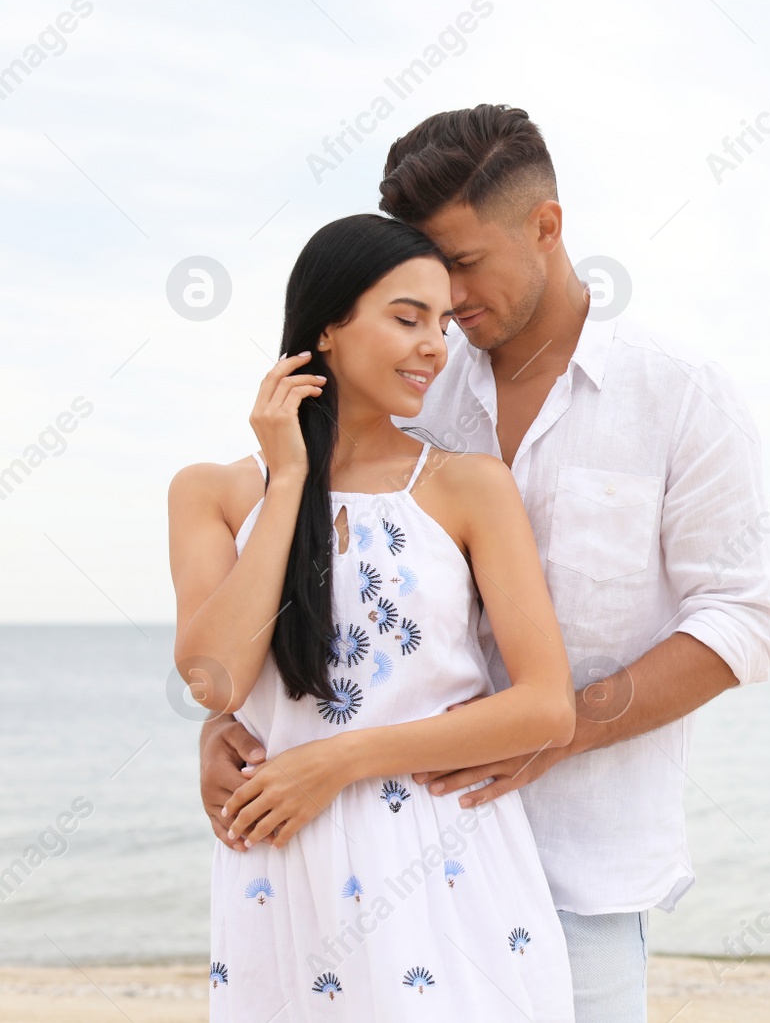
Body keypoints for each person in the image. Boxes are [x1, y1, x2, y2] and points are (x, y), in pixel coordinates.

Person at [200, 105, 770, 1021]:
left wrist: (556, 730)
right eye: (424, 277)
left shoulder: (675, 392)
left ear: (546, 226)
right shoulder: (417, 398)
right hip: (383, 859)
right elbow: (325, 591)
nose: (447, 300)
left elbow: (740, 620)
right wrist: (232, 728)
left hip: (584, 860)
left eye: (463, 265)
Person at [171, 214, 577, 1020]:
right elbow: (215, 679)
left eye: (443, 322)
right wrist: (290, 479)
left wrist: (341, 759)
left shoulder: (469, 486)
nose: (436, 344)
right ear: (327, 328)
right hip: (284, 872)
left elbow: (546, 706)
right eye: (406, 317)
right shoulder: (211, 492)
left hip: (446, 867)